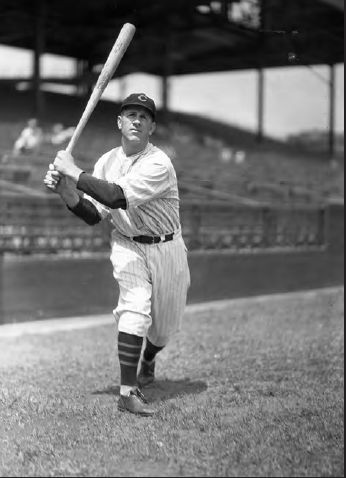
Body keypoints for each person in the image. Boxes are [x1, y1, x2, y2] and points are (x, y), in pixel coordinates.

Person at [44, 93, 191, 416]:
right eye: (131, 114)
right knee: (135, 308)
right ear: (119, 122)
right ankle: (128, 391)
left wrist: (73, 173)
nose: (136, 120)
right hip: (128, 243)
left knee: (164, 328)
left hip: (167, 247)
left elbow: (115, 196)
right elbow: (94, 214)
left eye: (144, 116)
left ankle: (149, 356)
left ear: (151, 127)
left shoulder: (159, 163)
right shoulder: (107, 161)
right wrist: (67, 192)